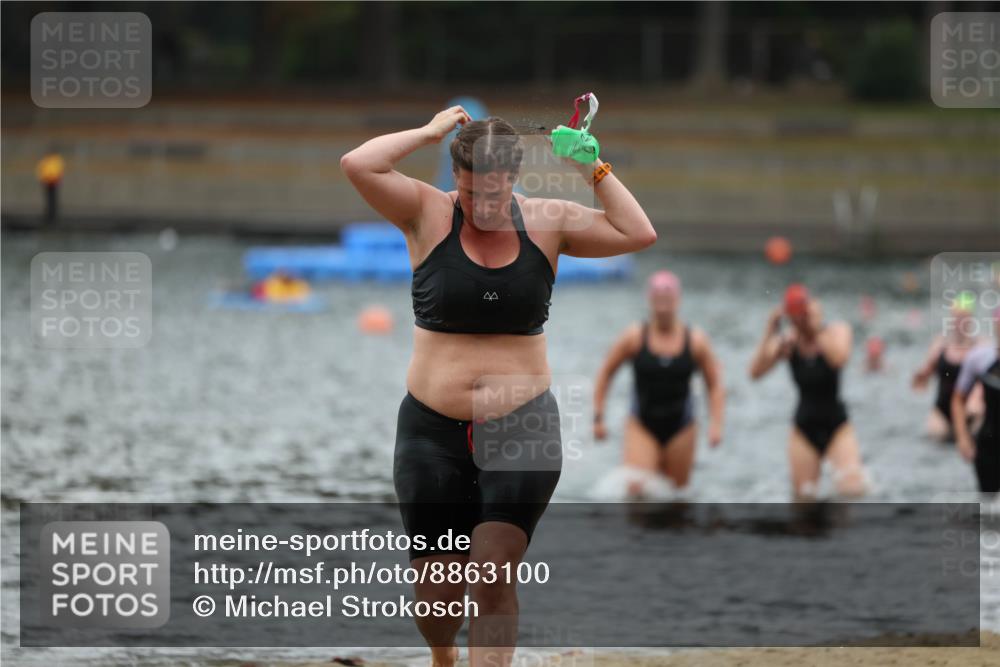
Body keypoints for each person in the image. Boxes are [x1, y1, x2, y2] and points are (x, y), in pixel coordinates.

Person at [340, 106, 656, 667]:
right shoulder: (426, 213)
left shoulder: (547, 220)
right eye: (468, 193)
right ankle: (444, 659)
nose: (480, 206)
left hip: (523, 423)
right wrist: (429, 133)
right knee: (437, 594)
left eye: (491, 194)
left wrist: (593, 168)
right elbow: (358, 164)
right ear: (455, 181)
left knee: (493, 564)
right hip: (431, 429)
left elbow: (638, 232)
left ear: (512, 180)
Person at [592, 270, 724, 495]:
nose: (663, 305)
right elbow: (605, 373)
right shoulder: (634, 337)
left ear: (678, 301)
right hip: (642, 424)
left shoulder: (696, 341)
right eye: (658, 299)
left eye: (668, 299)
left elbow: (715, 384)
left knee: (675, 496)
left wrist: (716, 425)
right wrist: (598, 418)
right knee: (638, 489)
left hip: (682, 427)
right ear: (650, 300)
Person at [748, 284, 868, 500]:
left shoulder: (836, 331)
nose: (800, 320)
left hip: (837, 426)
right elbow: (755, 372)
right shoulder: (789, 342)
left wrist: (814, 330)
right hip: (803, 429)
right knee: (804, 500)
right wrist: (769, 331)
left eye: (804, 312)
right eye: (796, 315)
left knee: (853, 492)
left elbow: (839, 359)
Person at [912, 305, 984, 442]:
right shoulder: (940, 345)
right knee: (935, 440)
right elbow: (922, 379)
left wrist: (979, 401)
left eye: (964, 319)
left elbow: (986, 379)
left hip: (970, 411)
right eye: (957, 319)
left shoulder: (979, 347)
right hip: (942, 410)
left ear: (970, 321)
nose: (959, 323)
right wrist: (920, 376)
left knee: (978, 437)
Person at [952, 311, 999, 494]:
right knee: (989, 509)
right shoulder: (979, 358)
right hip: (988, 444)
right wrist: (962, 437)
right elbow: (958, 398)